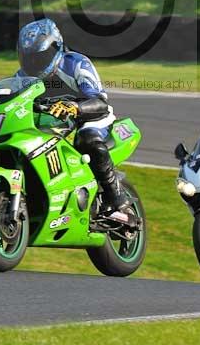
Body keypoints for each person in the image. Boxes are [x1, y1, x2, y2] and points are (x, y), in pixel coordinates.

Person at [16, 18, 128, 216]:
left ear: (56, 47)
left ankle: (117, 198)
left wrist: (74, 107)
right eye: (29, 58)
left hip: (90, 118)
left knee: (88, 139)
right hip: (52, 126)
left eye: (40, 57)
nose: (34, 63)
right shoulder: (21, 77)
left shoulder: (76, 63)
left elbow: (100, 102)